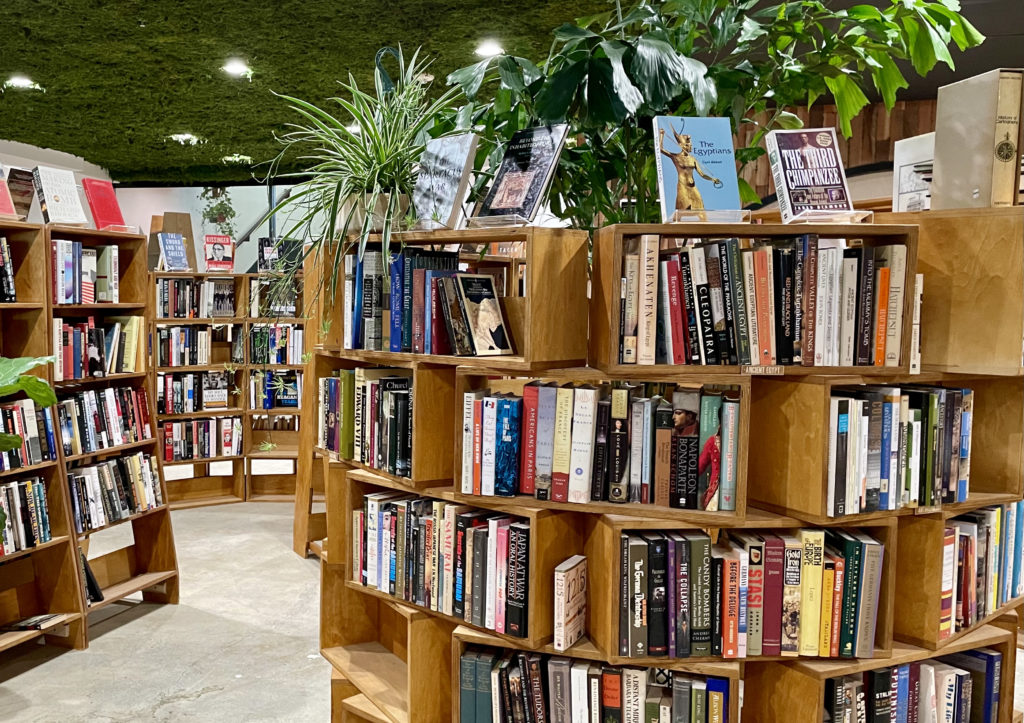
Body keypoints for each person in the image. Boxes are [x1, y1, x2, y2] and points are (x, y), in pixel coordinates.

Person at [659, 125, 722, 220]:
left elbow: (702, 174)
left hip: (692, 187)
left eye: (691, 146)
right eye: (688, 145)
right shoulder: (676, 157)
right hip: (683, 187)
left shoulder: (692, 159)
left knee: (701, 210)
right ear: (681, 145)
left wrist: (712, 179)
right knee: (680, 211)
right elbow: (661, 149)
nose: (690, 147)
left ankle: (706, 228)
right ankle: (675, 228)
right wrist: (661, 135)